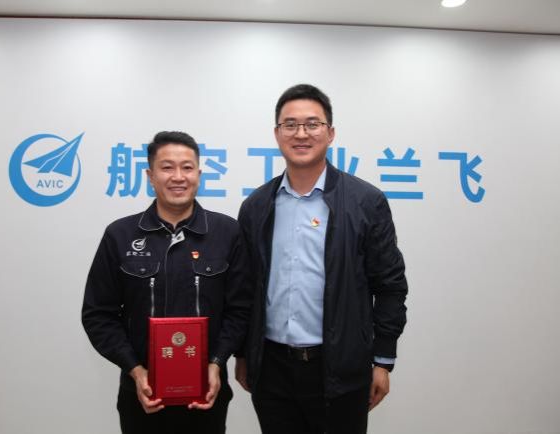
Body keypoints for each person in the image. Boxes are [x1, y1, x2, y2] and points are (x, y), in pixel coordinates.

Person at [235, 84, 408, 434]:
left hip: (340, 368)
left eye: (312, 124)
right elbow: (244, 289)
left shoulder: (365, 202)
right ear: (277, 134)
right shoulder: (256, 206)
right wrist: (243, 353)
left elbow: (390, 285)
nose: (301, 134)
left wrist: (382, 360)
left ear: (330, 133)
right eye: (290, 125)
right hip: (271, 368)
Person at [83, 131, 251, 434]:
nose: (178, 177)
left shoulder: (227, 233)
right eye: (167, 167)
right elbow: (98, 315)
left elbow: (241, 309)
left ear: (199, 174)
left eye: (187, 167)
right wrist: (135, 371)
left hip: (207, 392)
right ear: (150, 176)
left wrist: (216, 362)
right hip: (141, 394)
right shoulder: (120, 235)